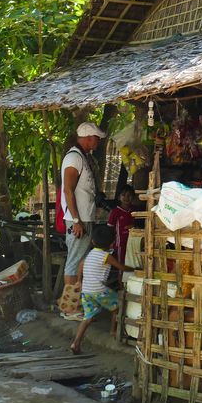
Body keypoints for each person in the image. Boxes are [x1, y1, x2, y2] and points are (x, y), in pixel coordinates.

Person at [70, 224, 133, 355]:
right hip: (99, 290)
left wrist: (79, 280)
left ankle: (75, 342)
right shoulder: (106, 256)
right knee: (117, 306)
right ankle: (113, 330)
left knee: (87, 318)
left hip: (86, 291)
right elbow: (122, 268)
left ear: (93, 241)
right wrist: (135, 269)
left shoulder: (90, 254)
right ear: (111, 244)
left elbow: (80, 265)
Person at [60, 121, 107, 295]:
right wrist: (76, 220)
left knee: (80, 261)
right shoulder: (74, 158)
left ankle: (75, 302)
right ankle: (69, 307)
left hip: (84, 217)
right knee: (73, 263)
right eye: (97, 138)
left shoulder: (83, 157)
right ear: (88, 138)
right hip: (77, 220)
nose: (98, 141)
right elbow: (67, 190)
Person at [107, 185, 136, 266]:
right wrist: (111, 242)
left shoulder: (134, 211)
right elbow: (110, 228)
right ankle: (121, 279)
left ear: (133, 197)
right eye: (123, 195)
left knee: (132, 263)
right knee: (122, 265)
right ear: (119, 197)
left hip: (133, 243)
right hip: (120, 244)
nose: (126, 198)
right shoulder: (115, 212)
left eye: (129, 195)